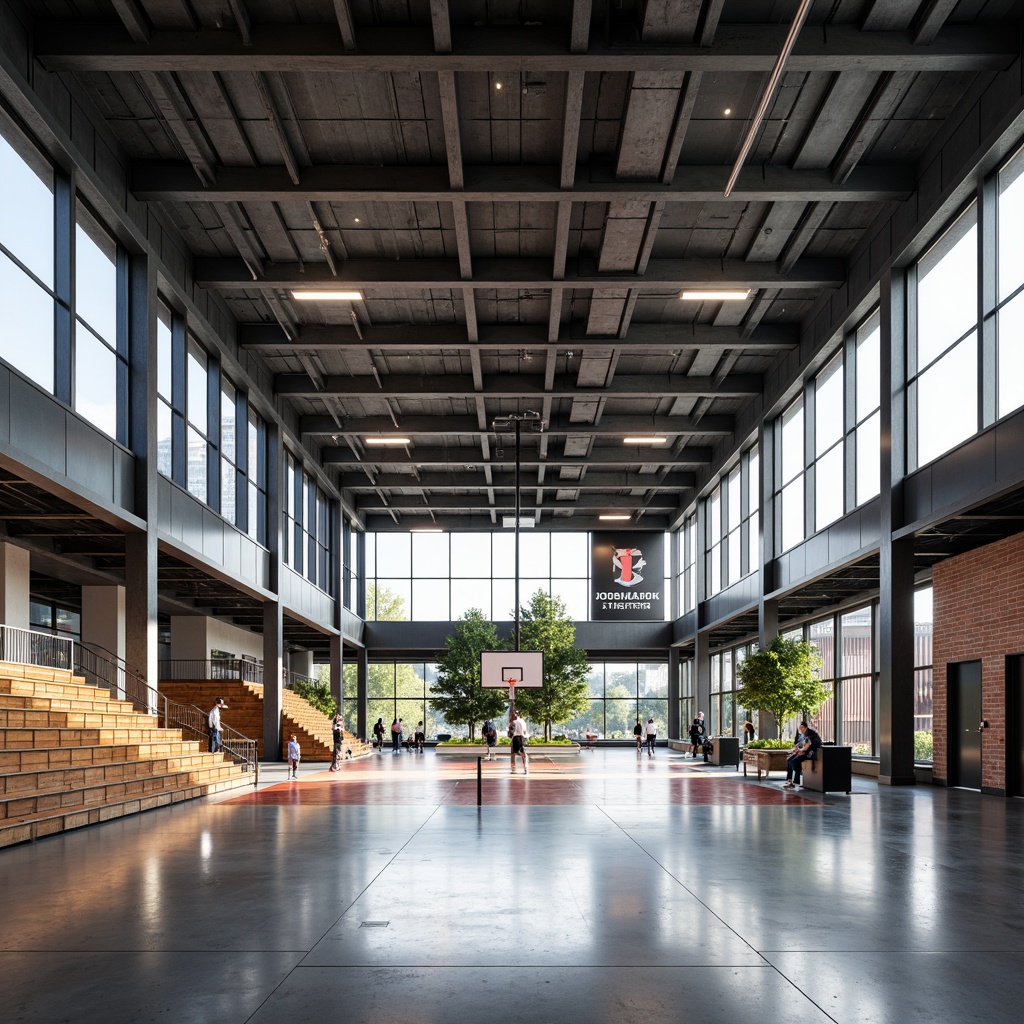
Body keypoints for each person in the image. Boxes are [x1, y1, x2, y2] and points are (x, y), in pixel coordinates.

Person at [783, 721, 822, 790]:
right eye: (800, 728)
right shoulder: (803, 734)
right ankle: (790, 780)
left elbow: (807, 745)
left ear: (805, 727)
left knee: (795, 761)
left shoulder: (811, 735)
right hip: (804, 752)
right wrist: (796, 749)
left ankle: (796, 781)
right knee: (789, 760)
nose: (800, 729)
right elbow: (800, 744)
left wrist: (800, 751)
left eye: (802, 728)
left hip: (810, 753)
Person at [509, 710, 529, 775]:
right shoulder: (521, 721)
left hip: (518, 737)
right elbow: (525, 731)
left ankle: (515, 768)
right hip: (520, 737)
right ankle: (524, 767)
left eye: (513, 714)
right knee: (519, 753)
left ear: (517, 715)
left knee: (514, 753)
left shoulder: (515, 722)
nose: (512, 715)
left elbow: (510, 731)